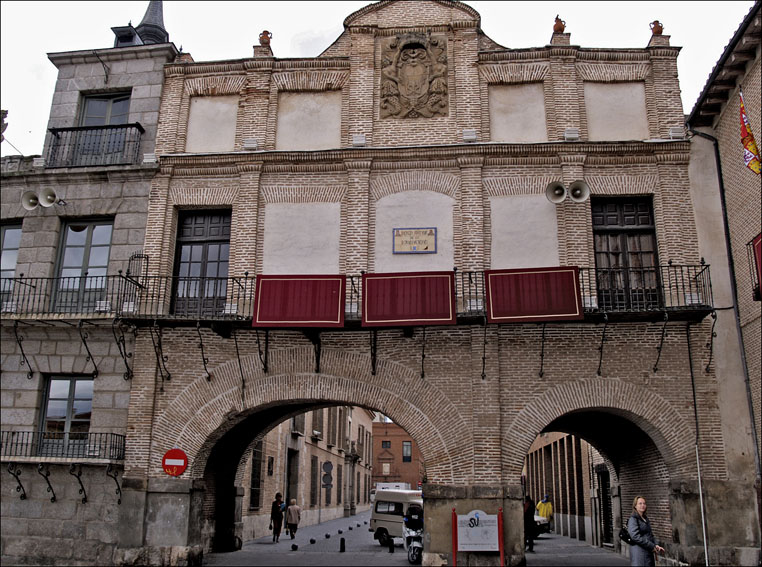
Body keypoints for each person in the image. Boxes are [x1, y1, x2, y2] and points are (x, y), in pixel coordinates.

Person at [627, 496, 665, 566]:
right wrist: (651, 545)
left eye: (644, 503)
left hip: (648, 551)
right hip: (639, 553)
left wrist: (656, 545)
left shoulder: (645, 518)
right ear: (635, 506)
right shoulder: (633, 519)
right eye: (640, 503)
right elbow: (635, 536)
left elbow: (650, 534)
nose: (642, 505)